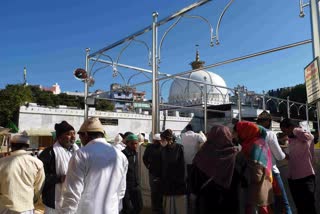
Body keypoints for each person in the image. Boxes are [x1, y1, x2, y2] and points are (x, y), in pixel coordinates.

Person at [60, 117, 128, 214]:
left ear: (86, 135)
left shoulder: (81, 155)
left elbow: (72, 194)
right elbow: (121, 191)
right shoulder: (121, 156)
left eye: (81, 137)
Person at [190, 125, 240, 214]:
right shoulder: (234, 155)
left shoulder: (202, 154)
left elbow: (194, 180)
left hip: (206, 201)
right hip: (228, 201)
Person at [234, 121, 274, 214]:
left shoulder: (254, 146)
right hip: (264, 184)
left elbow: (257, 174)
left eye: (236, 132)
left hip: (256, 189)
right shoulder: (258, 141)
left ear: (244, 131)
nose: (235, 135)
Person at [39, 121, 78, 213]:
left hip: (73, 199)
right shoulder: (49, 153)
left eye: (74, 133)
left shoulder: (77, 152)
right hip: (53, 201)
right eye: (68, 134)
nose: (73, 137)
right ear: (59, 137)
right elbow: (40, 176)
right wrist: (59, 178)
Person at [257, 111, 292, 214]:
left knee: (265, 203)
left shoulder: (253, 135)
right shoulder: (270, 134)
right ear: (268, 122)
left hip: (258, 172)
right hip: (271, 172)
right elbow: (279, 156)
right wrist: (286, 155)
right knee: (283, 201)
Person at [0, 134, 45, 214]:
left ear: (11, 146)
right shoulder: (37, 163)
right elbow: (38, 188)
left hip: (5, 207)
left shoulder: (2, 162)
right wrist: (32, 201)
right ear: (27, 146)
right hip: (26, 208)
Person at [280, 118, 316, 214]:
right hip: (293, 178)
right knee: (299, 206)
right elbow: (289, 157)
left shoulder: (304, 137)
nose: (285, 133)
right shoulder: (291, 140)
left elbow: (310, 137)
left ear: (291, 127)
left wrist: (295, 129)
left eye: (285, 130)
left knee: (309, 206)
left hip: (306, 177)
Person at [181, 124, 206, 214]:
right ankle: (193, 196)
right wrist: (201, 133)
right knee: (193, 180)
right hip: (194, 163)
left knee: (186, 179)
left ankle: (187, 196)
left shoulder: (182, 135)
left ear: (186, 129)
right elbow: (204, 140)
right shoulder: (196, 135)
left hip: (184, 162)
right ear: (192, 129)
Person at [160, 129, 187, 214]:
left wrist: (182, 181)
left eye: (163, 139)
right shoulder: (163, 149)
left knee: (179, 206)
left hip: (178, 182)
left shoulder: (179, 148)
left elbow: (182, 166)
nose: (161, 142)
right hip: (167, 181)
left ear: (168, 139)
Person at [121, 134, 143, 214]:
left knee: (139, 206)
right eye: (132, 143)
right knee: (127, 208)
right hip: (126, 185)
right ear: (127, 143)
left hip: (135, 184)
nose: (135, 145)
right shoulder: (122, 154)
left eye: (136, 143)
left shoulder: (135, 154)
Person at [143, 133, 163, 214]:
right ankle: (155, 209)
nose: (156, 143)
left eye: (158, 141)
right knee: (154, 191)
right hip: (153, 173)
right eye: (155, 141)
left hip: (162, 173)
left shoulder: (163, 147)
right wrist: (148, 166)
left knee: (161, 191)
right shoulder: (149, 147)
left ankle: (160, 207)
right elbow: (145, 158)